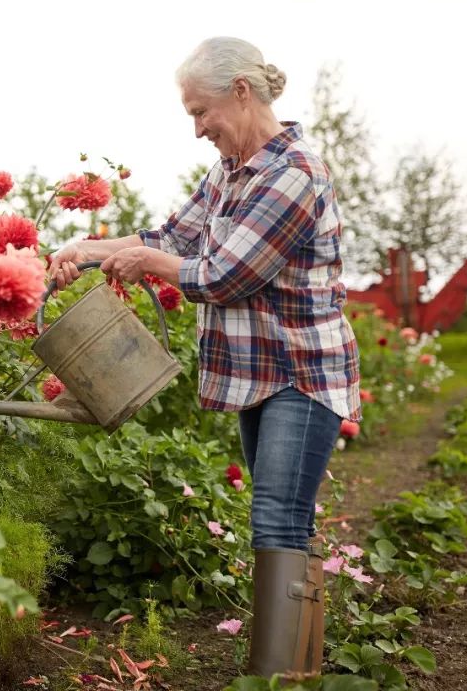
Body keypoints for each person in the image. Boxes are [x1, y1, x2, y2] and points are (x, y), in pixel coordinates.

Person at [49, 36, 361, 679]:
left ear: (241, 92)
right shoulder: (228, 172)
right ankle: (293, 669)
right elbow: (170, 237)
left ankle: (277, 674)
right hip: (259, 377)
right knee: (279, 519)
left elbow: (225, 274)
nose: (197, 130)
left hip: (302, 374)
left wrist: (150, 264)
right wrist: (84, 249)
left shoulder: (294, 173)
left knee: (278, 516)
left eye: (201, 112)